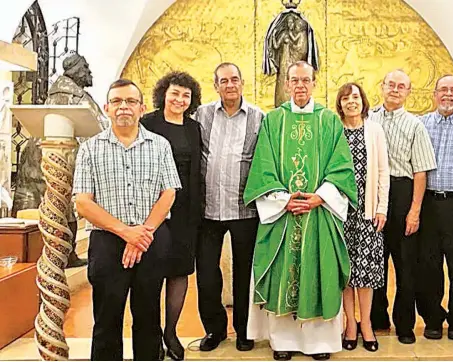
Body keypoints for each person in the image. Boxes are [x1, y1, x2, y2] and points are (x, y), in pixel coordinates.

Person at [243, 61, 357, 361]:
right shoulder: (273, 121)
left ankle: (319, 344)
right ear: (287, 84)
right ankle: (283, 342)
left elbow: (342, 167)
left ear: (314, 83)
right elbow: (263, 167)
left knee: (320, 272)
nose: (300, 86)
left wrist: (320, 198)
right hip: (284, 214)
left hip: (319, 214)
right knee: (284, 275)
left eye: (306, 80)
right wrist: (283, 200)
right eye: (294, 80)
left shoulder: (330, 121)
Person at [73, 79, 181, 360]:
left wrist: (141, 233)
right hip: (108, 242)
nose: (124, 106)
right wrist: (125, 233)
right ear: (107, 108)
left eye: (131, 101)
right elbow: (83, 202)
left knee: (147, 317)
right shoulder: (90, 149)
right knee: (107, 319)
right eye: (117, 101)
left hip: (151, 239)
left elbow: (168, 193)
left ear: (142, 108)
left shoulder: (160, 145)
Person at [14, 53, 108, 267]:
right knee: (58, 207)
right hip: (56, 158)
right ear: (75, 71)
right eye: (85, 67)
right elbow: (95, 130)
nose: (89, 71)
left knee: (63, 208)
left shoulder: (73, 94)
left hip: (58, 158)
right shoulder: (71, 97)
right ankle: (54, 254)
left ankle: (66, 254)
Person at [195, 63, 264, 352]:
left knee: (245, 271)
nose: (230, 85)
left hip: (245, 208)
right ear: (216, 86)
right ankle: (215, 329)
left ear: (242, 83)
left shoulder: (259, 118)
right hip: (208, 208)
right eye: (223, 81)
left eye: (234, 79)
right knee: (207, 272)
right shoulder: (202, 115)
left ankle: (245, 330)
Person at [368, 69, 436, 344]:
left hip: (404, 194)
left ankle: (405, 324)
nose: (395, 90)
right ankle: (377, 318)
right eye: (390, 84)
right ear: (382, 87)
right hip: (373, 196)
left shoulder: (415, 125)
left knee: (406, 265)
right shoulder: (367, 118)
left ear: (408, 92)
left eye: (401, 86)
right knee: (375, 263)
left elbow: (421, 172)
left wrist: (415, 210)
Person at [141, 71, 203, 360]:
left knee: (180, 272)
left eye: (186, 95)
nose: (180, 99)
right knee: (151, 274)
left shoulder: (193, 128)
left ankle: (171, 332)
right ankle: (151, 336)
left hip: (186, 210)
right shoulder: (148, 123)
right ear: (164, 93)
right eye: (175, 93)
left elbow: (196, 171)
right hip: (153, 209)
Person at [418, 75, 453, 341]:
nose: (448, 95)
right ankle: (432, 319)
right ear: (434, 94)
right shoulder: (420, 124)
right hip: (427, 203)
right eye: (444, 89)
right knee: (428, 265)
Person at [335, 82, 389, 352]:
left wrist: (382, 208)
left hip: (368, 213)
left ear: (363, 100)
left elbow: (382, 172)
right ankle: (350, 324)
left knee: (366, 273)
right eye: (345, 98)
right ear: (340, 104)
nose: (351, 102)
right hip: (341, 213)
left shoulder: (374, 129)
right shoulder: (334, 131)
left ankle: (366, 323)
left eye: (355, 97)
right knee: (346, 271)